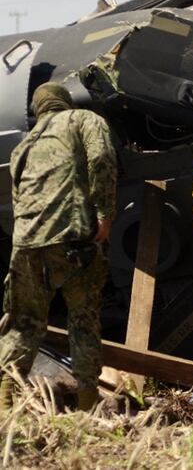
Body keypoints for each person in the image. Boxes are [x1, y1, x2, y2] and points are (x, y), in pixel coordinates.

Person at [0, 83, 116, 412]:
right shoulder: (84, 119)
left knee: (22, 322)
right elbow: (103, 159)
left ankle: (5, 408)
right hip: (74, 239)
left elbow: (17, 200)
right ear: (65, 101)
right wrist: (105, 214)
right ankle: (87, 407)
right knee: (83, 319)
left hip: (26, 244)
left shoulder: (22, 147)